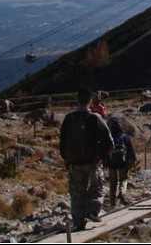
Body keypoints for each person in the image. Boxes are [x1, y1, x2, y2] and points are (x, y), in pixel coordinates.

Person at [60, 86, 114, 231]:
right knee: (98, 186)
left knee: (76, 192)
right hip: (93, 161)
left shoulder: (69, 119)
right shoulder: (95, 118)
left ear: (77, 100)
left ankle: (78, 222)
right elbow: (109, 141)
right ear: (90, 100)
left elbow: (63, 140)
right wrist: (101, 156)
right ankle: (92, 209)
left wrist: (66, 158)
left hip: (74, 162)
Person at [105, 116, 137, 206]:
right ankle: (122, 192)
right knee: (123, 179)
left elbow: (105, 150)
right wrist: (133, 159)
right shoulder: (124, 137)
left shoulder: (109, 137)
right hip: (122, 162)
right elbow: (131, 150)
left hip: (111, 163)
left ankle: (113, 203)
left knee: (113, 182)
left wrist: (105, 162)